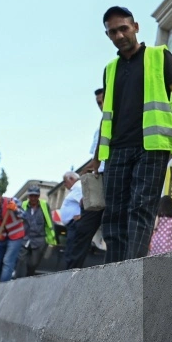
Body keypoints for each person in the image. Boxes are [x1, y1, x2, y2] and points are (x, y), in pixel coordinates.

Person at [97, 6, 172, 262]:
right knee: (114, 213)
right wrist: (98, 158)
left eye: (123, 28)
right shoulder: (110, 69)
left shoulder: (159, 56)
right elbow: (107, 114)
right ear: (108, 35)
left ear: (136, 27)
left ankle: (132, 269)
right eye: (113, 32)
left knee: (141, 208)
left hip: (151, 147)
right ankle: (113, 270)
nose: (119, 35)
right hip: (116, 150)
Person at [63, 89, 107, 269]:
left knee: (113, 229)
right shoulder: (100, 128)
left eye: (102, 101)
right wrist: (85, 173)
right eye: (98, 103)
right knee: (84, 228)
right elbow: (95, 159)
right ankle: (72, 273)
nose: (101, 106)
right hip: (99, 180)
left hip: (117, 178)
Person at [18, 185, 57, 277]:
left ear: (38, 196)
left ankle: (28, 280)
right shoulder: (23, 205)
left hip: (39, 240)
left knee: (33, 264)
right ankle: (18, 281)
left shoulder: (44, 205)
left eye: (35, 196)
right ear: (28, 196)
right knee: (20, 262)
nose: (33, 198)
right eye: (31, 196)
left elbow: (49, 222)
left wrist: (51, 239)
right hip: (25, 238)